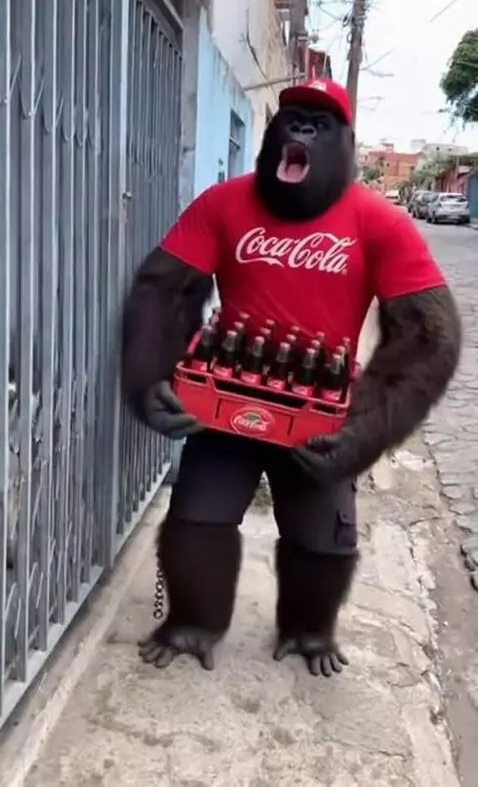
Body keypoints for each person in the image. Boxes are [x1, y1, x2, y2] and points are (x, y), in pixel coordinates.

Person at [122, 77, 461, 677]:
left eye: (318, 124)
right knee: (197, 518)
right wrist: (149, 377)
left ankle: (308, 630)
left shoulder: (379, 223)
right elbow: (165, 292)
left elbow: (427, 338)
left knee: (322, 541)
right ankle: (193, 621)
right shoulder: (223, 203)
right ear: (274, 136)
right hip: (226, 398)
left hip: (320, 414)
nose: (300, 130)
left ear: (346, 144)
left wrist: (365, 434)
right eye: (292, 119)